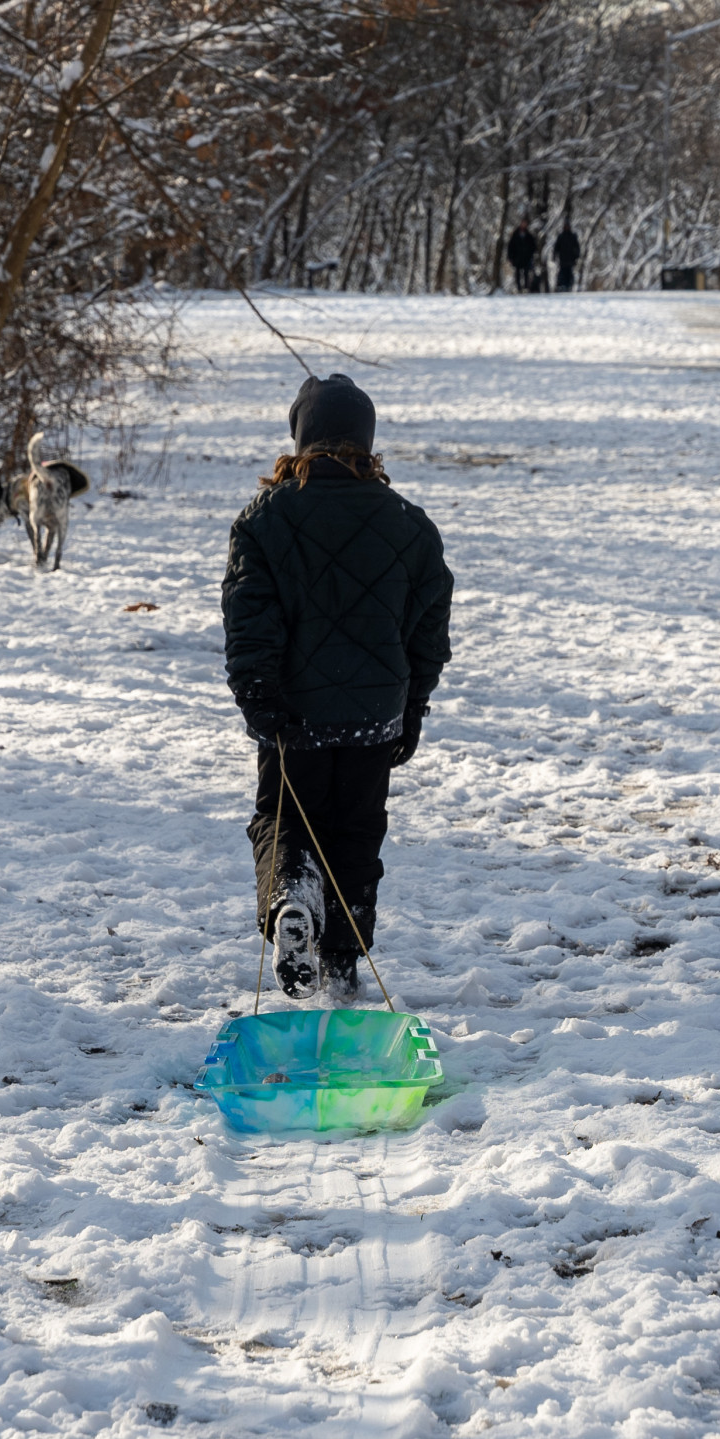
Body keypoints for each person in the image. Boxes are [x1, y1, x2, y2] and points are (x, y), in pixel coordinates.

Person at [222, 375, 453, 1003]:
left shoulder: (265, 520)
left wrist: (258, 697)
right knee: (356, 834)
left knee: (284, 819)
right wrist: (412, 704)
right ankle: (343, 964)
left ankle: (293, 899)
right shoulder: (409, 524)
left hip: (292, 715)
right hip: (374, 717)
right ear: (367, 443)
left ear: (301, 438)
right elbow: (430, 629)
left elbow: (249, 619)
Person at [505, 219, 540, 292]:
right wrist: (510, 257)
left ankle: (526, 287)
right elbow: (510, 246)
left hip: (526, 258)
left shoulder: (529, 235)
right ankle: (518, 287)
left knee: (526, 272)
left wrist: (532, 254)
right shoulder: (515, 235)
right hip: (517, 257)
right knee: (517, 273)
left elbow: (533, 246)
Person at [553, 220, 581, 292]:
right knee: (562, 273)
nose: (567, 227)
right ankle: (562, 286)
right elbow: (556, 247)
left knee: (570, 273)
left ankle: (569, 286)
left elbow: (577, 247)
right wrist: (554, 255)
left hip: (571, 259)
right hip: (562, 259)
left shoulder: (573, 236)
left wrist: (577, 256)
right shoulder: (561, 236)